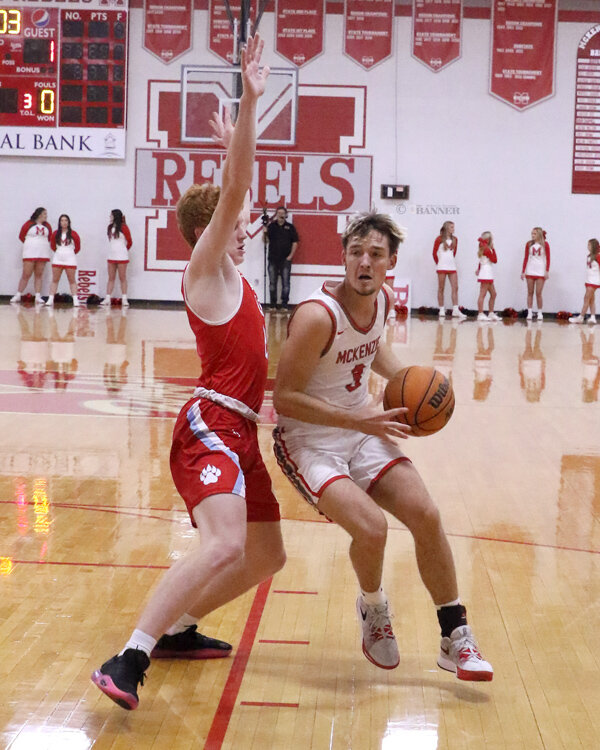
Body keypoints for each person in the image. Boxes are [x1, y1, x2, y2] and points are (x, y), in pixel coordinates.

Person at [91, 34, 285, 711]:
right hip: (208, 427)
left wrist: (270, 405)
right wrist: (253, 102)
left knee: (266, 556)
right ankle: (129, 656)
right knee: (226, 543)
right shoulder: (204, 270)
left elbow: (239, 189)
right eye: (235, 218)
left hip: (241, 431)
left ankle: (177, 629)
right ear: (211, 228)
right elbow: (234, 188)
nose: (246, 221)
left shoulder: (239, 277)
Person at [273, 210, 493, 681]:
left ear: (390, 261)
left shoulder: (384, 301)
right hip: (309, 441)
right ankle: (373, 608)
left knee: (426, 515)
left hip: (361, 429)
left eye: (375, 254)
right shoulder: (316, 316)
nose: (365, 263)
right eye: (356, 253)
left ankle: (454, 636)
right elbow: (284, 399)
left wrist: (414, 384)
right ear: (344, 258)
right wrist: (359, 418)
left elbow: (373, 351)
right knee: (372, 529)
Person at [11, 207, 52, 305]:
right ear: (39, 214)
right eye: (45, 214)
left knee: (39, 275)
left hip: (42, 253)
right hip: (30, 253)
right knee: (26, 274)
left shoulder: (48, 226)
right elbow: (22, 236)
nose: (46, 216)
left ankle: (38, 296)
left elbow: (50, 237)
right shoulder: (28, 224)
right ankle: (18, 295)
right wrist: (31, 244)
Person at [265, 206, 299, 310]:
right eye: (279, 213)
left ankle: (284, 304)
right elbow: (266, 240)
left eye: (282, 213)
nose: (281, 215)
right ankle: (273, 305)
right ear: (276, 214)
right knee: (272, 283)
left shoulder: (290, 227)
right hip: (272, 258)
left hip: (285, 259)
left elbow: (295, 242)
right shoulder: (272, 226)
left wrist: (290, 256)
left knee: (286, 283)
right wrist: (264, 232)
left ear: (286, 214)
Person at [46, 214, 81, 307]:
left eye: (66, 220)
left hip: (70, 259)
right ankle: (50, 299)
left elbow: (77, 247)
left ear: (69, 222)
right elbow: (53, 246)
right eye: (62, 220)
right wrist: (60, 252)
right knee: (55, 280)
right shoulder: (55, 233)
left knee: (72, 280)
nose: (64, 222)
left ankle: (75, 300)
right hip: (58, 259)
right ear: (59, 222)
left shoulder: (74, 234)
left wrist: (69, 253)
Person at [433, 221, 466, 319]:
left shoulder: (455, 239)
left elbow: (454, 253)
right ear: (447, 228)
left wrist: (450, 261)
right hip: (442, 267)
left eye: (453, 227)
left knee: (455, 287)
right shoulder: (439, 239)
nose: (453, 229)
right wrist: (439, 263)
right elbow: (434, 253)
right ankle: (441, 309)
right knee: (441, 288)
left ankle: (455, 310)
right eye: (451, 227)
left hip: (452, 266)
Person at [100, 210, 133, 307]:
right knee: (111, 278)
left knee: (122, 277)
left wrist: (123, 250)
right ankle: (107, 298)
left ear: (115, 216)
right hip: (111, 255)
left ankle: (124, 299)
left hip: (122, 256)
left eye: (111, 215)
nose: (110, 216)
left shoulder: (124, 228)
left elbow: (130, 242)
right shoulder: (109, 227)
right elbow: (110, 240)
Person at [521, 227, 550, 321]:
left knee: (538, 293)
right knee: (530, 292)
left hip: (540, 271)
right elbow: (525, 258)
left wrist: (547, 271)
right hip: (530, 270)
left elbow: (548, 258)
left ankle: (540, 313)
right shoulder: (528, 244)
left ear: (539, 234)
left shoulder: (545, 244)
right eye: (532, 233)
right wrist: (523, 271)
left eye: (534, 234)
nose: (532, 235)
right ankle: (529, 312)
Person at [569, 238, 599, 325]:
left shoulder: (598, 256)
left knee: (586, 298)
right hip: (589, 279)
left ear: (593, 246)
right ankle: (593, 317)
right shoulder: (589, 256)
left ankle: (581, 317)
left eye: (589, 245)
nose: (587, 246)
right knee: (591, 300)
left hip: (594, 281)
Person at [475, 233, 501, 322]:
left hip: (488, 272)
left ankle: (491, 313)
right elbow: (495, 260)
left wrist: (478, 269)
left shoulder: (485, 247)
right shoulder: (486, 249)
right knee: (482, 294)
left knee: (493, 294)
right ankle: (480, 314)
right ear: (489, 239)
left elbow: (481, 261)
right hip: (486, 273)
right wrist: (493, 249)